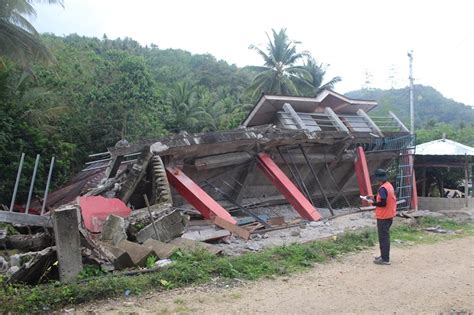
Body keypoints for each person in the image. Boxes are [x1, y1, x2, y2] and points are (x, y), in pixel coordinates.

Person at [368, 168, 397, 265]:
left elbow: (383, 202)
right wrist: (375, 198)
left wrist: (373, 203)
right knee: (385, 237)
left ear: (378, 179)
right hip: (389, 215)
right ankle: (384, 256)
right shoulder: (388, 186)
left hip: (383, 216)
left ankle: (385, 259)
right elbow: (385, 198)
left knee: (383, 238)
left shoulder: (382, 188)